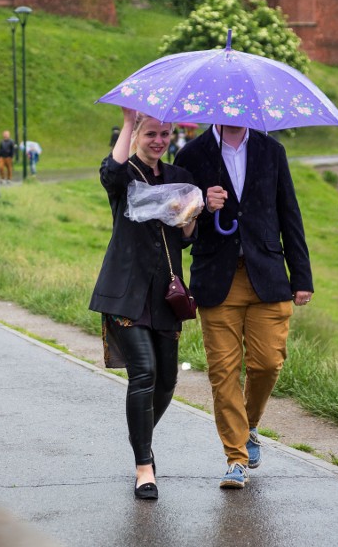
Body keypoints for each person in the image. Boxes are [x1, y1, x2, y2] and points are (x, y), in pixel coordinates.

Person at [175, 124, 313, 489]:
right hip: (216, 279)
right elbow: (179, 225)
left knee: (267, 363)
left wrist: (301, 277)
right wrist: (203, 205)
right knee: (223, 372)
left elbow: (289, 213)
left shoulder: (272, 151)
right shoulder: (190, 154)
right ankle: (235, 458)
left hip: (267, 275)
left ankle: (249, 425)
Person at [89, 107, 201, 500]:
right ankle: (144, 466)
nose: (158, 141)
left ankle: (142, 439)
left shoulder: (180, 179)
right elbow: (111, 173)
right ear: (139, 135)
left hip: (165, 295)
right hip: (126, 291)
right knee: (144, 373)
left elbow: (188, 236)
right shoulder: (125, 175)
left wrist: (192, 215)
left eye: (164, 134)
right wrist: (127, 121)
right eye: (150, 133)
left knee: (168, 380)